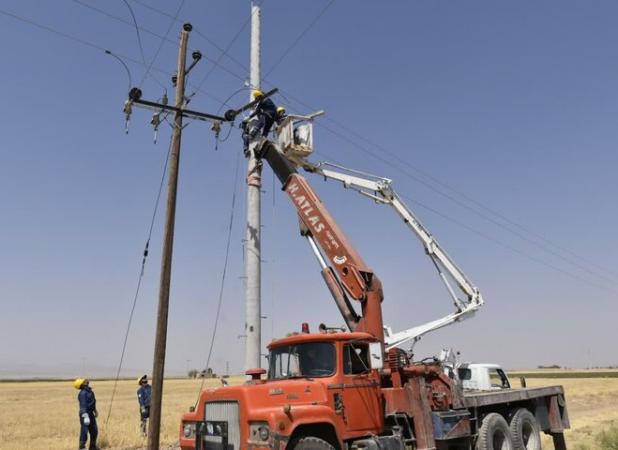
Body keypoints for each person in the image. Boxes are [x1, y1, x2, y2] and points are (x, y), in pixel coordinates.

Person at [241, 89, 278, 155]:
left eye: (256, 99)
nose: (256, 100)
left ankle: (252, 134)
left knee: (261, 121)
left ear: (258, 96)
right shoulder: (267, 100)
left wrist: (249, 117)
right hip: (272, 117)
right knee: (266, 129)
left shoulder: (263, 100)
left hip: (268, 114)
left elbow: (257, 111)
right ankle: (263, 140)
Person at [74, 378, 99, 450]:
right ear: (82, 384)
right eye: (84, 381)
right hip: (85, 414)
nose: (86, 380)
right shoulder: (83, 393)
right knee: (84, 431)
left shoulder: (89, 391)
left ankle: (93, 447)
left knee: (94, 430)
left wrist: (95, 410)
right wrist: (85, 415)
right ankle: (82, 447)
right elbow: (83, 405)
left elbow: (92, 402)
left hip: (91, 413)